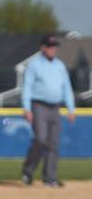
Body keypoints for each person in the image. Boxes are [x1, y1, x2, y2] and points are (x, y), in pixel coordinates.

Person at [21, 35, 76, 187]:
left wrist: (71, 108)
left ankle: (50, 178)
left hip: (55, 107)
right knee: (40, 138)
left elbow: (67, 88)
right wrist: (26, 108)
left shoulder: (60, 66)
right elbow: (27, 87)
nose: (53, 49)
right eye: (50, 46)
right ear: (42, 47)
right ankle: (28, 171)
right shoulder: (34, 65)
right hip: (39, 106)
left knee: (53, 143)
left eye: (54, 46)